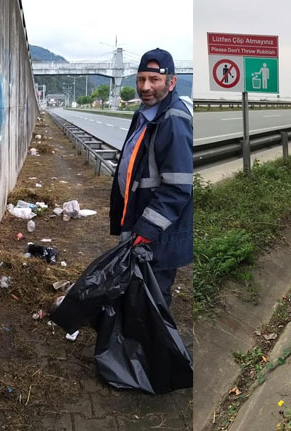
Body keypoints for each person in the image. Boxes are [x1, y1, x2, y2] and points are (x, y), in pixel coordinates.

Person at [109, 48, 193, 307]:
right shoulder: (143, 115)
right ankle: (134, 343)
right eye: (140, 79)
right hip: (140, 224)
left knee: (152, 300)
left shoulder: (173, 120)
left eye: (154, 80)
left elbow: (178, 187)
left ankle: (148, 347)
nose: (145, 87)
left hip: (158, 235)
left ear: (171, 82)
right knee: (136, 293)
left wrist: (146, 230)